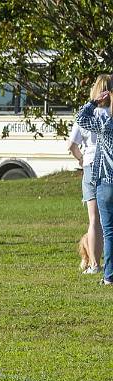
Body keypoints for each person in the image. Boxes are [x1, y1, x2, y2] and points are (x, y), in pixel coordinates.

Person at [69, 74, 109, 274]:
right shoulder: (109, 115)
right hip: (108, 166)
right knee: (107, 220)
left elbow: (71, 145)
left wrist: (81, 159)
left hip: (90, 165)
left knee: (94, 220)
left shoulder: (88, 116)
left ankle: (94, 264)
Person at [77, 80, 113, 286]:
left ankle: (109, 275)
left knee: (108, 230)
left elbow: (80, 118)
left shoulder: (105, 124)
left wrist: (93, 102)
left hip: (107, 180)